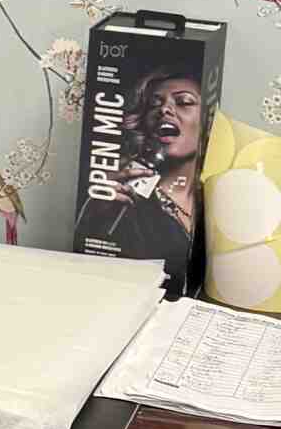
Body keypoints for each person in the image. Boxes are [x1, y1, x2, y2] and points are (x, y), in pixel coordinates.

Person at [75, 64, 205, 279]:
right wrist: (93, 216)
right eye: (154, 104)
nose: (164, 109)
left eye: (183, 102)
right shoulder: (124, 203)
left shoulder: (214, 194)